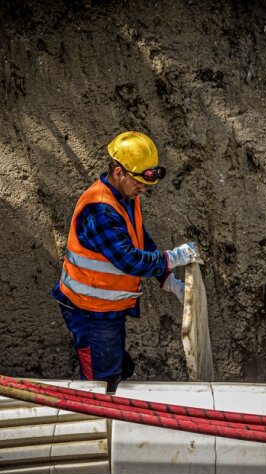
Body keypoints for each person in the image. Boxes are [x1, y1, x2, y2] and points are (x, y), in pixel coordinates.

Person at [50, 131, 203, 392]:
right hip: (90, 311)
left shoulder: (127, 196)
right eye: (139, 182)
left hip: (106, 310)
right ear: (118, 172)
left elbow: (139, 238)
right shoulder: (99, 210)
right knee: (101, 382)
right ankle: (96, 423)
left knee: (114, 369)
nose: (143, 189)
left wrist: (166, 278)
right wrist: (171, 258)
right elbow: (129, 259)